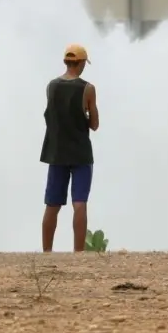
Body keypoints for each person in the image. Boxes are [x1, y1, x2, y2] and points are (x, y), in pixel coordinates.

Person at [39, 44, 99, 252]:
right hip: (80, 152)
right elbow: (94, 124)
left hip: (56, 152)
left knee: (52, 205)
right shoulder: (88, 88)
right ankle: (78, 253)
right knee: (80, 202)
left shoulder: (51, 86)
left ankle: (47, 252)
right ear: (81, 63)